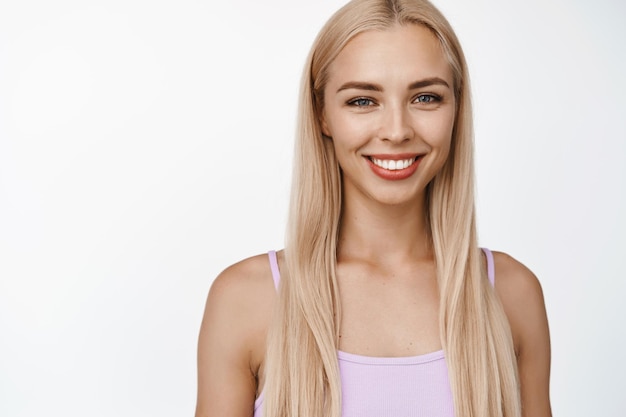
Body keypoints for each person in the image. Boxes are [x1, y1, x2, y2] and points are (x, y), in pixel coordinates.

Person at [194, 0, 552, 416]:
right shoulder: (246, 300)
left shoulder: (511, 294)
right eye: (363, 101)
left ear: (457, 108)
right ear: (322, 115)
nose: (397, 131)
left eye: (425, 97)